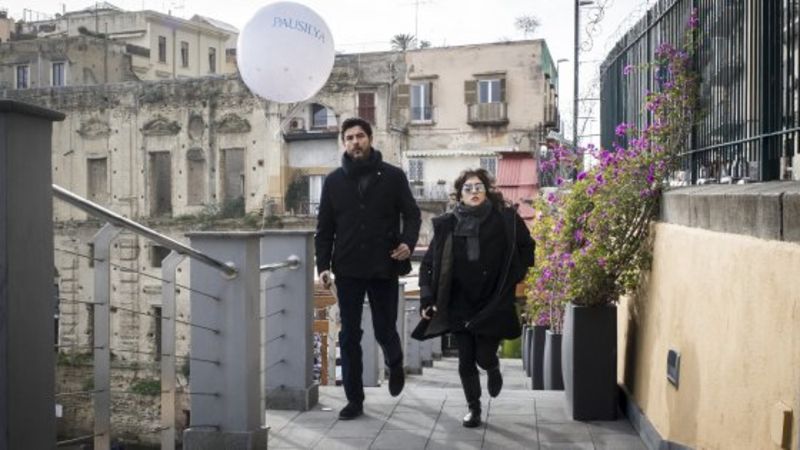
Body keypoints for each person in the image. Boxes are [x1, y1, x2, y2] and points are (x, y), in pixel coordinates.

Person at [315, 117, 421, 420]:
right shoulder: (333, 181)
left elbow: (412, 216)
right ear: (343, 143)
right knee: (349, 335)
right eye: (349, 138)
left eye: (359, 136)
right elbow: (324, 229)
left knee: (385, 328)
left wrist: (408, 244)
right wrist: (323, 266)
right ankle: (354, 400)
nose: (355, 142)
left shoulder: (393, 176)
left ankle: (395, 361)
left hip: (383, 264)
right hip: (347, 268)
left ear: (370, 139)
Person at [415, 168, 534, 428]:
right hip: (459, 301)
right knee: (465, 358)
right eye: (468, 188)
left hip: (492, 301)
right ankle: (474, 408)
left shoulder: (505, 218)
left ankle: (492, 368)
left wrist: (517, 274)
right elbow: (428, 266)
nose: (474, 192)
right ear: (460, 195)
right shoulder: (447, 223)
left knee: (483, 355)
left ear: (486, 190)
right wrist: (427, 299)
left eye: (478, 187)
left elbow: (527, 246)